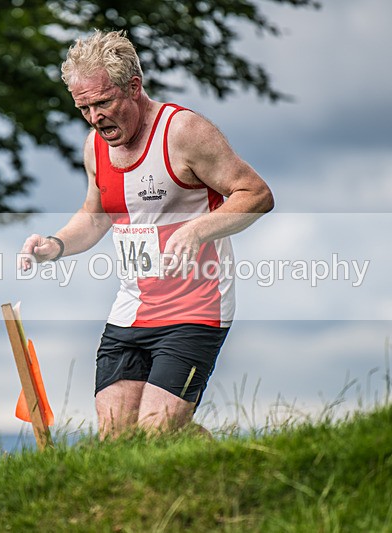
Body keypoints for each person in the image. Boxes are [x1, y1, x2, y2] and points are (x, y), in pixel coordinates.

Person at [18, 30, 273, 438]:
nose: (95, 118)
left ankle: (209, 458)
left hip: (195, 310)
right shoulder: (95, 146)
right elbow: (96, 215)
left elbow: (256, 194)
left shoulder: (183, 132)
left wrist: (197, 231)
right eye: (83, 108)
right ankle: (202, 449)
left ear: (134, 87)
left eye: (103, 103)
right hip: (131, 309)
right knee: (117, 444)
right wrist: (56, 245)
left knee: (155, 437)